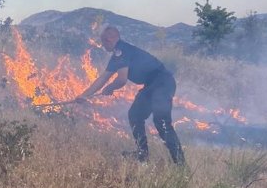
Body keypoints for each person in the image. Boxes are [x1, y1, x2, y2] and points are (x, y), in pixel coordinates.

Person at [75, 26, 185, 165]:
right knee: (135, 115)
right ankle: (142, 154)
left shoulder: (121, 51)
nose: (102, 45)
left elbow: (121, 79)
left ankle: (181, 164)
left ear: (108, 40)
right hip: (152, 85)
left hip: (162, 83)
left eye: (103, 42)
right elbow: (103, 78)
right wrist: (84, 95)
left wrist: (110, 88)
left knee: (162, 123)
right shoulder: (118, 54)